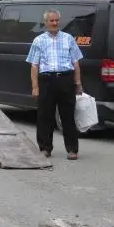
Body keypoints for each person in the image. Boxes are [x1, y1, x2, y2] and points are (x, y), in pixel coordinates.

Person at [26, 8, 83, 160]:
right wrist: (35, 87)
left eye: (57, 20)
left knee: (68, 116)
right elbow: (34, 65)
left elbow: (76, 62)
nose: (55, 23)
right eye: (51, 20)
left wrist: (78, 83)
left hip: (66, 79)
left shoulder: (68, 38)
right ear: (46, 23)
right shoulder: (39, 40)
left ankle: (72, 149)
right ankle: (45, 148)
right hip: (46, 81)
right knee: (45, 116)